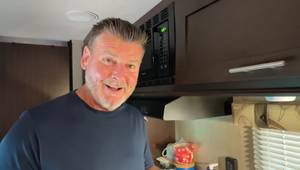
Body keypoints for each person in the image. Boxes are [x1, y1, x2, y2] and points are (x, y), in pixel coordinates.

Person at [0, 18, 159, 170]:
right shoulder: (31, 127)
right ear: (85, 59)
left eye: (130, 65)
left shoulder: (136, 119)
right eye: (108, 60)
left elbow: (146, 166)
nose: (118, 75)